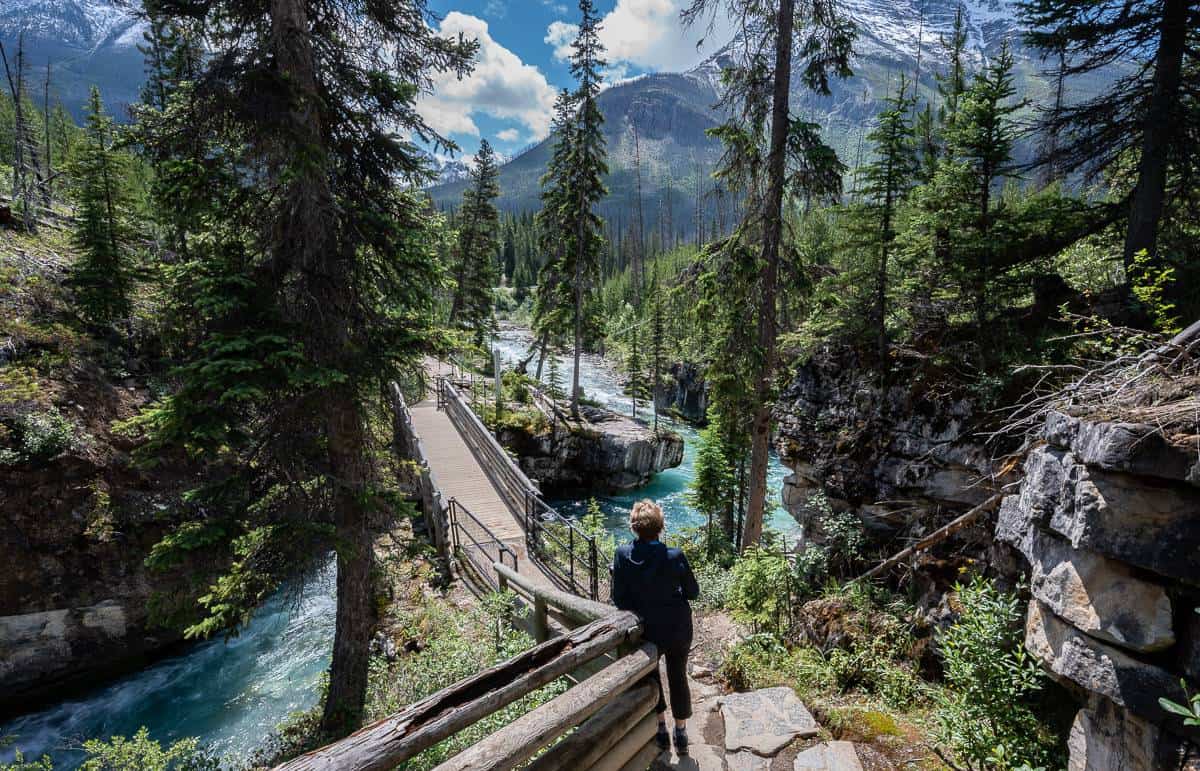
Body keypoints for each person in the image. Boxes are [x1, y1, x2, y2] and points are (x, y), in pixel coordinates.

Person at [611, 499, 700, 756]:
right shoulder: (675, 556)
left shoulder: (622, 555)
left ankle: (660, 727)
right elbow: (693, 592)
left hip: (646, 629)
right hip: (677, 627)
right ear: (660, 528)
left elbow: (619, 599)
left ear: (634, 527)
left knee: (651, 676)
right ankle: (681, 732)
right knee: (678, 675)